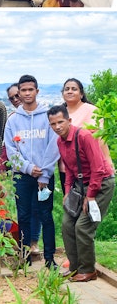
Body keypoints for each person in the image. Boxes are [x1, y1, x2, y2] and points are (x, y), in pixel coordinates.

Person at [48, 105, 115, 282]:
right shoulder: (60, 142)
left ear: (69, 121)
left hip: (100, 184)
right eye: (53, 124)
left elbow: (99, 169)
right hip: (80, 186)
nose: (57, 127)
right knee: (67, 224)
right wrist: (67, 192)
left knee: (83, 226)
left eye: (61, 122)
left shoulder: (84, 136)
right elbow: (69, 169)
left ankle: (88, 270)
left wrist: (91, 196)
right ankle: (75, 267)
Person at [4, 74, 59, 267]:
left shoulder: (48, 116)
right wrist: (27, 167)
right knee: (24, 216)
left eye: (30, 89)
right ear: (19, 92)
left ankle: (50, 258)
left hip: (45, 177)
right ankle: (25, 256)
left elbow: (54, 145)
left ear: (37, 91)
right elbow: (11, 150)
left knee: (46, 216)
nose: (27, 93)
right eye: (23, 90)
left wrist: (43, 173)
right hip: (23, 176)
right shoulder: (13, 121)